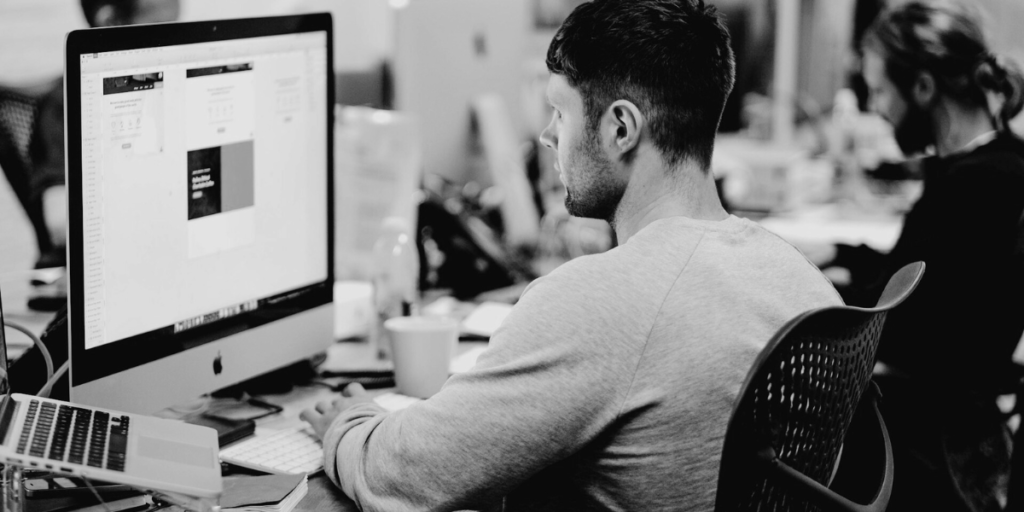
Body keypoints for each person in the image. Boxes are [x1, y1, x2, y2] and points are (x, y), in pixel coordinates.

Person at [301, 1, 841, 510]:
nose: (545, 135)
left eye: (560, 112)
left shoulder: (600, 301)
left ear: (620, 128)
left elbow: (403, 477)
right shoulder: (800, 277)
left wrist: (350, 422)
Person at [816, 2, 1024, 510]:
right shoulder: (992, 167)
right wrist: (837, 253)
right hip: (947, 419)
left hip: (933, 444)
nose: (878, 109)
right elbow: (920, 268)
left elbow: (900, 311)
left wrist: (809, 289)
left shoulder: (978, 184)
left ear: (924, 87)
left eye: (882, 91)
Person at [23, 0, 179, 309]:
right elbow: (59, 221)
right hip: (102, 283)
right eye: (159, 28)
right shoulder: (68, 102)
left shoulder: (162, 84)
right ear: (110, 20)